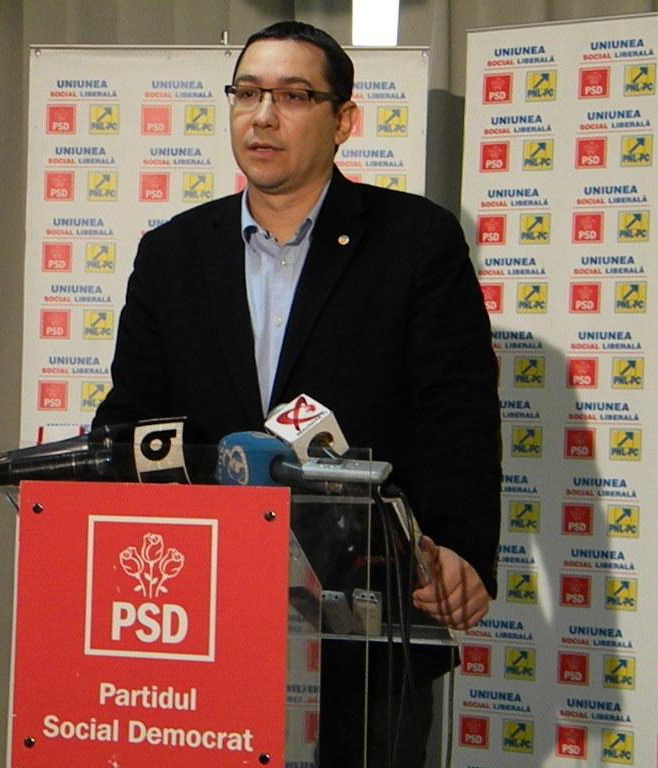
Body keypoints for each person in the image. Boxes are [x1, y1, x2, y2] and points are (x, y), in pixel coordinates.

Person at [93, 20, 501, 767]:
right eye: (247, 93)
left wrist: (462, 549)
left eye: (292, 95)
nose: (262, 116)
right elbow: (131, 419)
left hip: (367, 616)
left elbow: (458, 415)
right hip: (202, 612)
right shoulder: (173, 253)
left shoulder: (414, 240)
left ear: (343, 121)